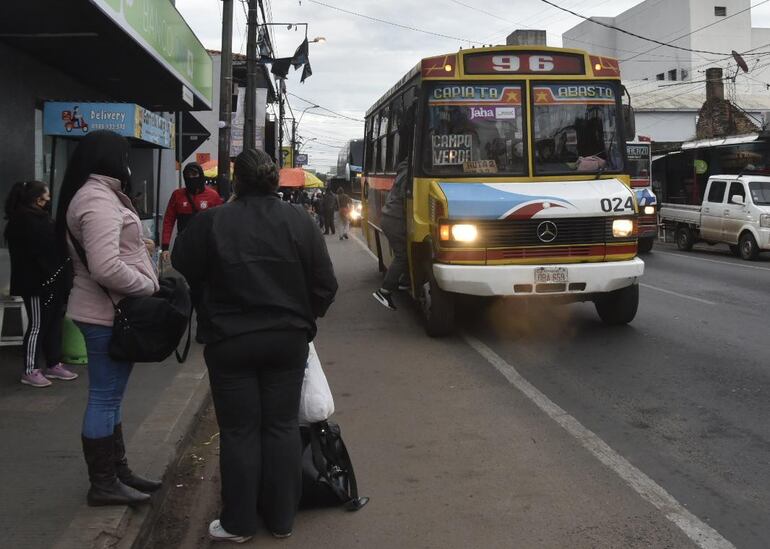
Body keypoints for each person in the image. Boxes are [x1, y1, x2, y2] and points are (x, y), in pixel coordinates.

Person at [172, 148, 337, 544]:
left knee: (239, 432)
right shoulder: (299, 220)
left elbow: (182, 263)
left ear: (236, 182)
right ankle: (282, 520)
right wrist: (302, 318)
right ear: (274, 181)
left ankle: (239, 523)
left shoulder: (213, 220)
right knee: (281, 427)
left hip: (230, 341)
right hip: (286, 340)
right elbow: (325, 286)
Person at [56, 130, 161, 507]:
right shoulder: (97, 200)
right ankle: (103, 483)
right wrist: (147, 287)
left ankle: (118, 472)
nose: (129, 163)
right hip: (104, 314)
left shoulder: (100, 196)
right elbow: (105, 267)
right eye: (125, 156)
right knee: (104, 398)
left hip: (109, 312)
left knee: (111, 398)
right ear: (110, 159)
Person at [4, 180, 77, 387]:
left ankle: (53, 363)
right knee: (37, 324)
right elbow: (38, 253)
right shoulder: (24, 221)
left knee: (53, 322)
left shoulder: (40, 219)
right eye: (46, 196)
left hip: (51, 281)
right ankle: (30, 369)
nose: (49, 200)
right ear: (38, 199)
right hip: (36, 283)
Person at [373, 103, 416, 310]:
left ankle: (404, 281)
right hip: (394, 219)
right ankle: (384, 291)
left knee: (405, 252)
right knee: (402, 255)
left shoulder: (404, 169)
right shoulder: (409, 173)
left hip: (391, 218)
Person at [160, 162, 223, 263]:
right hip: (184, 245)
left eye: (194, 174)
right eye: (187, 175)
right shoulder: (177, 195)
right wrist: (165, 247)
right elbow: (168, 220)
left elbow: (220, 223)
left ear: (201, 175)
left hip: (206, 246)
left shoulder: (213, 196)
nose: (191, 178)